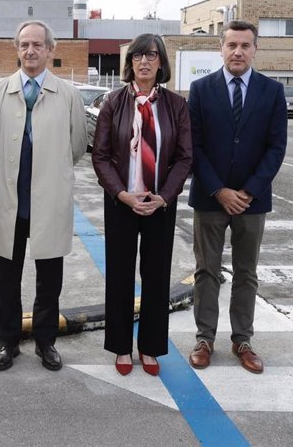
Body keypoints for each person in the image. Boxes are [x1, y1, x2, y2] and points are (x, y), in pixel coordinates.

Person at [0, 20, 88, 372]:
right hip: (9, 204)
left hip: (49, 202)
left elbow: (75, 147)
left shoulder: (68, 95)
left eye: (37, 45)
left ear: (50, 50)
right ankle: (8, 342)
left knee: (49, 279)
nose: (30, 51)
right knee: (6, 280)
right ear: (17, 49)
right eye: (24, 45)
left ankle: (45, 342)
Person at [187, 20, 287, 374]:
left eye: (245, 45)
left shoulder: (272, 91)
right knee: (206, 271)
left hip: (252, 201)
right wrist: (219, 189)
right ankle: (205, 339)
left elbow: (276, 148)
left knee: (247, 273)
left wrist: (247, 191)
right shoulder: (200, 89)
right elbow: (194, 146)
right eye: (232, 45)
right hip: (210, 197)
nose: (238, 52)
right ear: (221, 48)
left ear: (255, 49)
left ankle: (242, 339)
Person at [92, 34, 192, 376]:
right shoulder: (113, 102)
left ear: (161, 62)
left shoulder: (177, 106)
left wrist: (164, 196)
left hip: (159, 204)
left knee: (156, 276)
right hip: (122, 202)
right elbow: (101, 156)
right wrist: (121, 193)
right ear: (130, 63)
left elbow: (184, 157)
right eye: (137, 56)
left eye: (151, 55)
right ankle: (121, 347)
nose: (144, 62)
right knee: (119, 276)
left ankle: (150, 348)